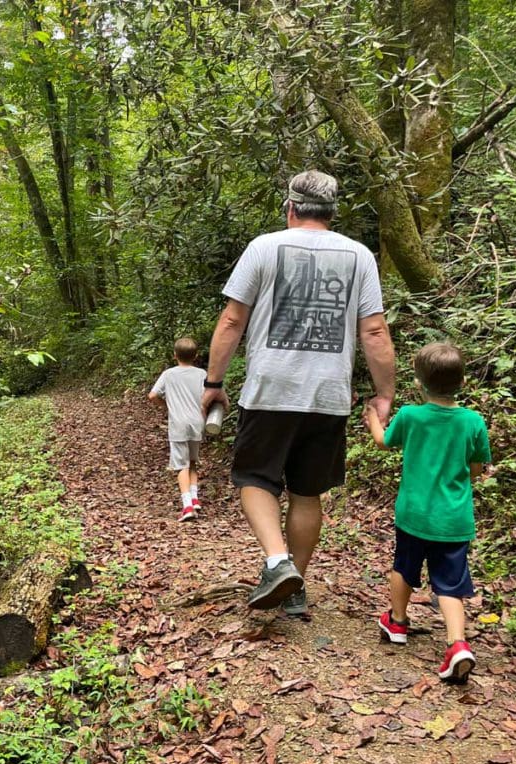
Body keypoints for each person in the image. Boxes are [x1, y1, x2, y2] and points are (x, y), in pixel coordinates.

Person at [201, 170, 396, 616]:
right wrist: (384, 394)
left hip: (270, 388)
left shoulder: (263, 247)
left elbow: (233, 321)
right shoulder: (359, 255)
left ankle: (277, 562)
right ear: (331, 212)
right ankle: (297, 585)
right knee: (307, 493)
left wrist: (214, 383)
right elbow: (374, 330)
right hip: (327, 395)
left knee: (255, 479)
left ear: (289, 208)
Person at [365, 342, 491, 683]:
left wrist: (374, 419)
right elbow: (476, 469)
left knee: (404, 567)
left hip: (414, 514)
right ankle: (457, 644)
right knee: (450, 584)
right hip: (453, 518)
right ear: (463, 382)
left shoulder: (410, 416)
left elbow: (384, 441)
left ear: (418, 383)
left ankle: (398, 622)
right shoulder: (473, 422)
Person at [149, 337, 207, 522]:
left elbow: (152, 395)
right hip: (197, 422)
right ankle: (195, 497)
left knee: (181, 465)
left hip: (178, 424)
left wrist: (166, 405)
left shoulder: (169, 374)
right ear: (196, 356)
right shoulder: (202, 374)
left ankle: (187, 506)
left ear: (175, 355)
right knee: (192, 462)